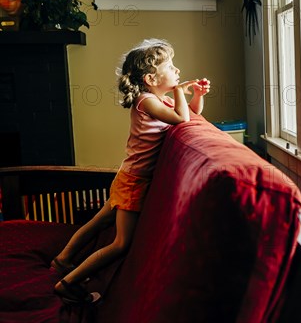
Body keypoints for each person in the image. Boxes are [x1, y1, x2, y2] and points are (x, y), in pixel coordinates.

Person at [51, 38, 210, 304]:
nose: (177, 71)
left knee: (99, 222)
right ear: (150, 78)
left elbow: (190, 114)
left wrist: (197, 96)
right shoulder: (146, 101)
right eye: (171, 67)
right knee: (122, 243)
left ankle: (63, 260)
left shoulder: (157, 99)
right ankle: (67, 283)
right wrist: (180, 91)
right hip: (133, 182)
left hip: (128, 176)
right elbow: (181, 118)